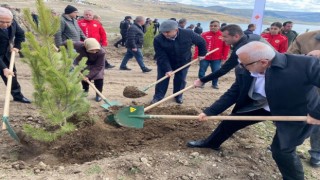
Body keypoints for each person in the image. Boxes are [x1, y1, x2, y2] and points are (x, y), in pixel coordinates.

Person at [187, 41, 320, 179]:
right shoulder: (245, 69)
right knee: (230, 121)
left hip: (296, 111)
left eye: (245, 64)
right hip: (262, 105)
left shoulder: (304, 64)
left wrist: (317, 113)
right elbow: (233, 92)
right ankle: (211, 143)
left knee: (282, 151)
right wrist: (210, 111)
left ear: (263, 62)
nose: (240, 67)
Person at [151, 20, 207, 104]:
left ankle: (178, 96)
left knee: (180, 79)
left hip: (183, 61)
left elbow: (201, 42)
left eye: (167, 32)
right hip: (165, 61)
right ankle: (158, 96)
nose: (165, 34)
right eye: (163, 32)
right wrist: (167, 69)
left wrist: (202, 54)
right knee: (162, 79)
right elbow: (161, 55)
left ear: (176, 30)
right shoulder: (158, 39)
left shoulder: (188, 33)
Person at [193, 24, 266, 89]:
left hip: (265, 76)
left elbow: (224, 69)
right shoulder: (253, 36)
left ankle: (215, 84)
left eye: (225, 36)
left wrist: (202, 80)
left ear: (236, 36)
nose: (222, 39)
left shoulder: (240, 50)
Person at [288, 30, 320, 168]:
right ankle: (286, 145)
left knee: (318, 123)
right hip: (305, 89)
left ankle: (316, 153)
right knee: (295, 118)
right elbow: (289, 59)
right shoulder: (305, 38)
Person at [0, 7, 31, 103]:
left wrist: (17, 47)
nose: (5, 25)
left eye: (8, 22)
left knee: (11, 75)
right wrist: (3, 68)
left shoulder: (13, 24)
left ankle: (18, 96)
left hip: (5, 54)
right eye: (2, 22)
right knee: (6, 71)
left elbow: (21, 34)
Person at [194, 20, 230, 89]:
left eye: (215, 26)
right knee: (202, 70)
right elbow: (198, 45)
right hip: (204, 57)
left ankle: (215, 84)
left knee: (216, 71)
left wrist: (224, 57)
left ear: (219, 27)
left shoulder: (223, 35)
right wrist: (196, 55)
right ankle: (201, 83)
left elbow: (226, 47)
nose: (213, 27)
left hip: (217, 58)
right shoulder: (204, 34)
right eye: (211, 26)